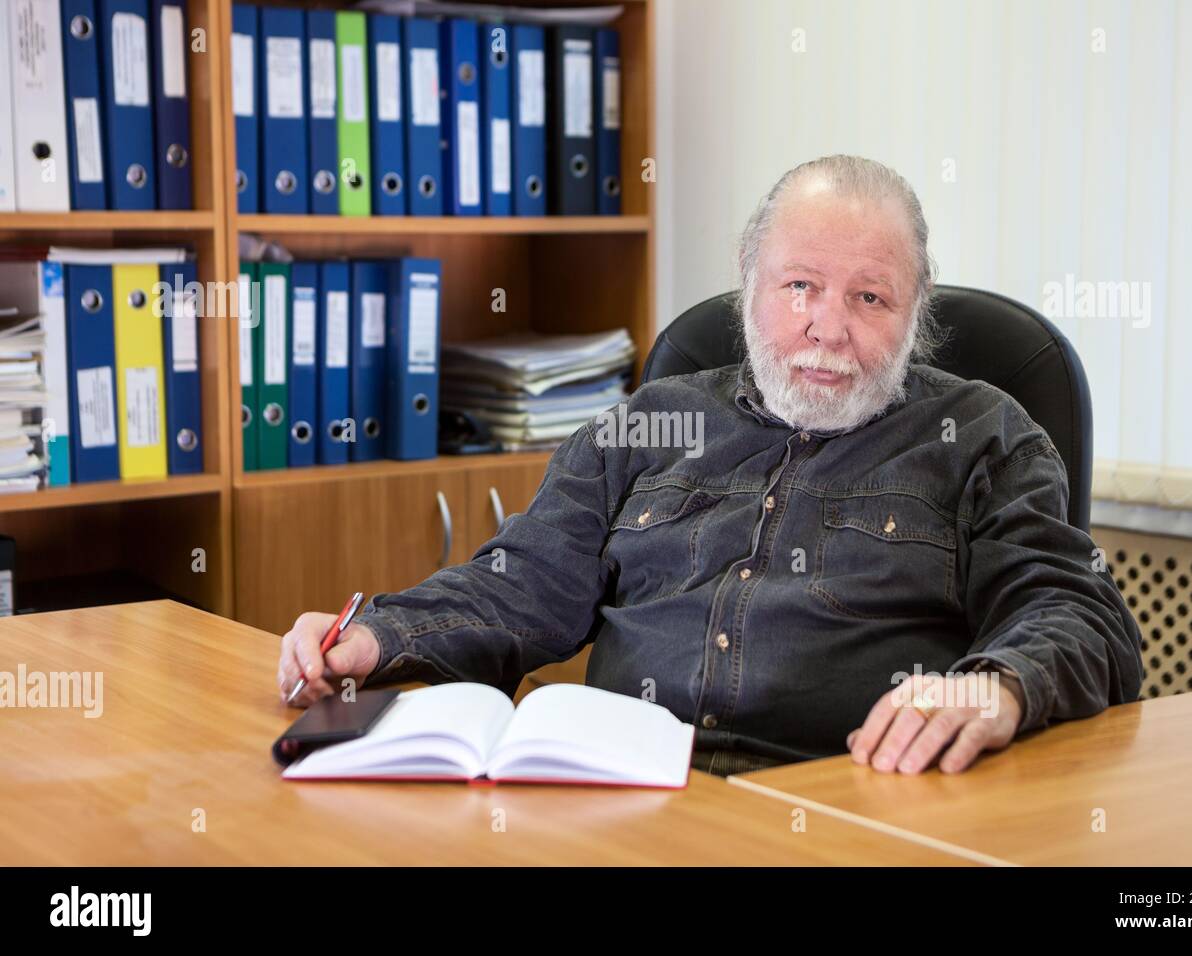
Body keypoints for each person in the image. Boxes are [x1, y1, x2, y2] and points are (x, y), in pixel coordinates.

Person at [277, 154, 1143, 777]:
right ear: (749, 285)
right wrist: (379, 634)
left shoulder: (985, 436)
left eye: (870, 297)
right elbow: (517, 586)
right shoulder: (645, 426)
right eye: (799, 285)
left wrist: (997, 688)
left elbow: (1079, 616)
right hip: (620, 804)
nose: (828, 327)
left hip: (841, 806)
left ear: (917, 312)